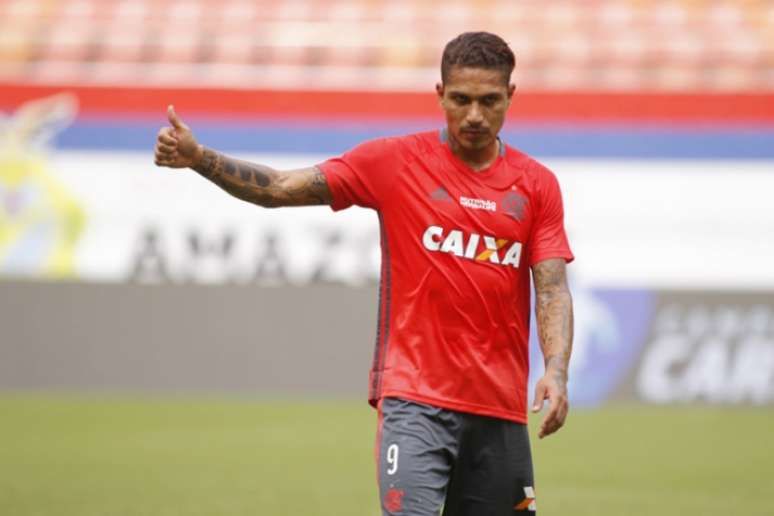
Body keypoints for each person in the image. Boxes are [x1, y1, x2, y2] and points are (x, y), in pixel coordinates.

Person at [154, 31, 573, 516]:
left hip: (499, 411)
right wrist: (200, 159)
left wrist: (557, 372)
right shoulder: (393, 163)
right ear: (439, 94)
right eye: (460, 99)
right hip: (415, 402)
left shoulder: (538, 185)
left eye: (489, 100)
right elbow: (279, 188)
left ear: (510, 97)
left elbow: (552, 288)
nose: (474, 115)